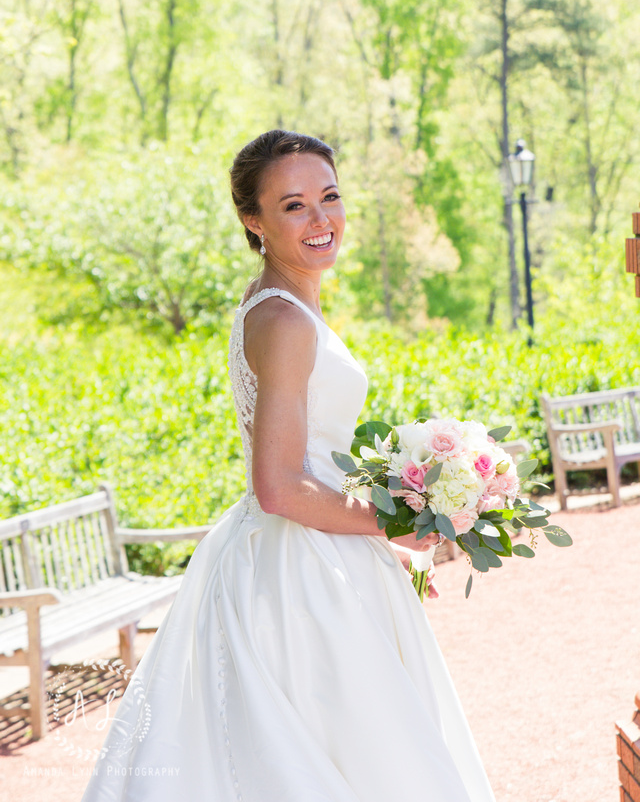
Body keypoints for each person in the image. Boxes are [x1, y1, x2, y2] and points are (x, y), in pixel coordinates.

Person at [81, 129, 496, 802]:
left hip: (307, 552)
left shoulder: (282, 303)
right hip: (300, 576)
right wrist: (394, 522)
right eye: (294, 205)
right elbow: (276, 485)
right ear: (254, 220)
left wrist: (389, 527)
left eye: (329, 197)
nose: (322, 218)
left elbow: (308, 459)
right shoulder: (285, 322)